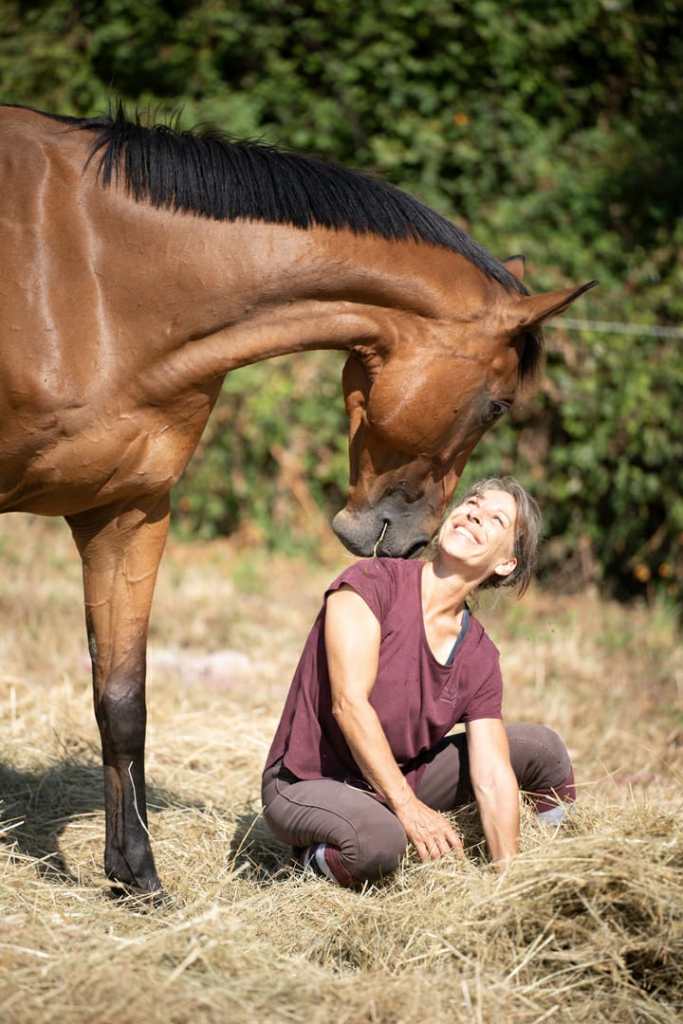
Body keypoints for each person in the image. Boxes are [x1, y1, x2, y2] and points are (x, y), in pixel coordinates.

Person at [261, 477, 575, 886]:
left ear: (505, 563)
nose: (475, 513)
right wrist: (408, 808)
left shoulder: (479, 654)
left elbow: (492, 774)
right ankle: (309, 860)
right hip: (309, 780)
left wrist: (511, 886)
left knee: (543, 750)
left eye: (495, 519)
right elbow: (349, 705)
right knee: (379, 845)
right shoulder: (370, 583)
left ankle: (560, 857)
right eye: (472, 503)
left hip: (398, 775)